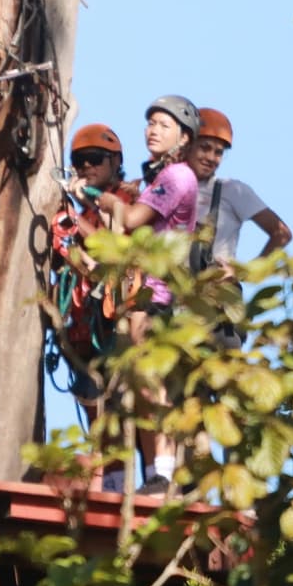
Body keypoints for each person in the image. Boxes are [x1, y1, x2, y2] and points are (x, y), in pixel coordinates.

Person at [94, 95, 202, 491]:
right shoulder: (161, 178)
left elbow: (132, 220)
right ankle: (156, 472)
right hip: (141, 290)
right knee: (138, 387)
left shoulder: (177, 178)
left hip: (155, 293)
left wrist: (103, 198)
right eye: (151, 123)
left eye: (163, 124)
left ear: (184, 138)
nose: (152, 130)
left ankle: (163, 470)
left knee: (149, 382)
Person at [50, 123, 137, 422]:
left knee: (121, 413)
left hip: (111, 324)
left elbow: (114, 249)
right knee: (97, 415)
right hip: (83, 327)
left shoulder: (124, 201)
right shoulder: (82, 209)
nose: (87, 166)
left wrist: (76, 217)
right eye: (80, 160)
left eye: (96, 158)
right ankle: (104, 469)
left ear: (115, 162)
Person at [187, 107, 293, 270]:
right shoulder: (168, 186)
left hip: (214, 289)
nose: (210, 158)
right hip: (170, 288)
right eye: (205, 148)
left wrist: (245, 273)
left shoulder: (232, 190)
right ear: (187, 145)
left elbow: (281, 234)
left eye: (218, 152)